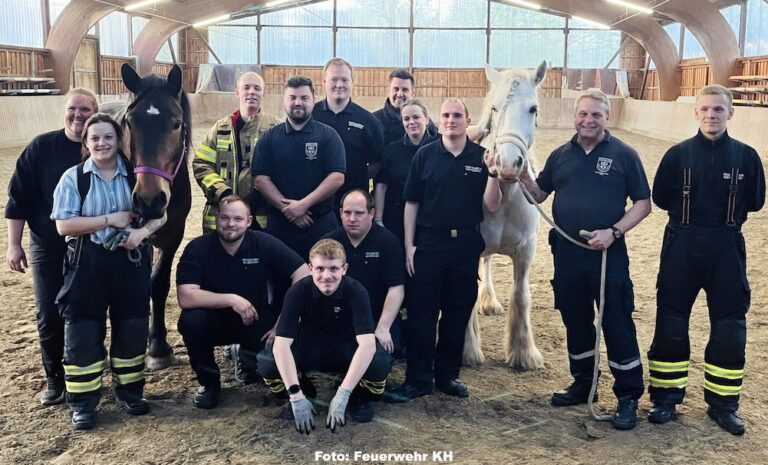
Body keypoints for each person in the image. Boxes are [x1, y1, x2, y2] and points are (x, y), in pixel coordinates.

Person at [518, 90, 651, 431]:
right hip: (567, 254)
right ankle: (583, 383)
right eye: (583, 114)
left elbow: (642, 204)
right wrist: (519, 173)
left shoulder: (625, 155)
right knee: (575, 320)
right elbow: (538, 194)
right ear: (575, 116)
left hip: (608, 255)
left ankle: (628, 396)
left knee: (616, 321)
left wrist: (614, 232)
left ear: (607, 117)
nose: (588, 120)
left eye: (596, 115)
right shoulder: (561, 155)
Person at [646, 85, 765, 436]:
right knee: (670, 319)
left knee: (730, 324)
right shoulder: (676, 155)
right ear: (695, 113)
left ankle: (723, 404)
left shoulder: (747, 157)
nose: (711, 115)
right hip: (682, 243)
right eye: (705, 109)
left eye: (718, 109)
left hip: (726, 246)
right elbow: (662, 197)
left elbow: (756, 201)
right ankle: (666, 398)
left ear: (731, 113)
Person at [51, 113, 166, 430]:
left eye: (108, 137)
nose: (102, 143)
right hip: (87, 263)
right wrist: (109, 220)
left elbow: (160, 217)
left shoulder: (135, 176)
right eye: (95, 138)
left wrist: (142, 234)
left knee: (132, 326)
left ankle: (130, 393)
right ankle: (84, 405)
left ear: (119, 141)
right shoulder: (74, 179)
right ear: (86, 143)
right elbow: (64, 225)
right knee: (83, 333)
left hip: (129, 262)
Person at [383, 98, 502, 403]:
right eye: (446, 115)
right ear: (440, 119)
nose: (451, 120)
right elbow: (412, 203)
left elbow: (491, 205)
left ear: (467, 119)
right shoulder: (425, 156)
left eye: (457, 115)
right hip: (429, 244)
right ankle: (418, 379)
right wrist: (409, 245)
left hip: (465, 245)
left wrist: (492, 173)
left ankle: (447, 376)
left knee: (457, 313)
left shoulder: (481, 157)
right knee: (422, 314)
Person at [5, 88, 98, 406]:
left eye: (85, 110)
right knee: (49, 313)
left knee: (86, 312)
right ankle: (55, 379)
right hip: (48, 245)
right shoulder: (41, 148)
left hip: (91, 246)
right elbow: (18, 200)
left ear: (95, 112)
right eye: (73, 109)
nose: (78, 115)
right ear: (65, 112)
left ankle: (86, 375)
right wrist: (14, 245)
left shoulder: (103, 148)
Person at [176, 195, 309, 409]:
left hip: (256, 320)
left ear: (248, 221)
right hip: (215, 320)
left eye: (238, 219)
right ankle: (209, 383)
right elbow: (186, 295)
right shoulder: (198, 248)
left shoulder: (263, 242)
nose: (231, 224)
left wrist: (284, 322)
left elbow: (303, 274)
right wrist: (231, 299)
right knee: (191, 321)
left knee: (277, 365)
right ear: (216, 218)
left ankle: (253, 360)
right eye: (225, 218)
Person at [257, 239, 393, 434]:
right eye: (320, 269)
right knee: (267, 361)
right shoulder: (297, 291)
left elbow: (367, 345)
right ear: (310, 268)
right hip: (308, 348)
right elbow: (281, 345)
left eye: (334, 269)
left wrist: (343, 395)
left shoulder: (356, 290)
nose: (326, 276)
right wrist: (295, 396)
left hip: (346, 350)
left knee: (380, 363)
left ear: (345, 269)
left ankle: (358, 394)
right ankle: (303, 389)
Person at [252, 76, 346, 260]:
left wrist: (304, 205)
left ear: (313, 100)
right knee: (280, 280)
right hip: (279, 225)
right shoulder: (269, 137)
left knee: (324, 280)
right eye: (292, 97)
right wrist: (289, 210)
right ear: (284, 100)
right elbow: (260, 179)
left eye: (304, 98)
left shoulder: (328, 136)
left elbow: (337, 177)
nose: (298, 103)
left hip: (321, 224)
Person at [193, 71, 281, 233]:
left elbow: (283, 169)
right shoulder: (220, 129)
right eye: (246, 87)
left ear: (264, 94)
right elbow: (201, 164)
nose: (251, 92)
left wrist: (260, 194)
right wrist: (222, 193)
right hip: (221, 219)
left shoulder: (275, 128)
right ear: (237, 92)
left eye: (257, 88)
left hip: (262, 219)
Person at [324, 189, 406, 355]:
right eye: (347, 213)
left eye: (359, 213)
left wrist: (383, 327)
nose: (352, 219)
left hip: (375, 318)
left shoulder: (388, 242)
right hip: (339, 319)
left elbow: (396, 288)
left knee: (377, 362)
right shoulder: (328, 243)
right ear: (340, 213)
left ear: (371, 213)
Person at [312, 58, 384, 209]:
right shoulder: (310, 116)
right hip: (314, 202)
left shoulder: (368, 121)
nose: (339, 85)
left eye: (344, 80)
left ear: (352, 82)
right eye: (334, 80)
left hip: (353, 206)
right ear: (323, 82)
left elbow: (377, 162)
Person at [374, 99, 439, 245]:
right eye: (406, 118)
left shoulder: (440, 148)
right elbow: (381, 185)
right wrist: (378, 219)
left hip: (430, 219)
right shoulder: (392, 150)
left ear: (427, 119)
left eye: (416, 117)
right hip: (396, 217)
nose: (411, 122)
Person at [372, 69, 438, 146]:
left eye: (405, 90)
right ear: (388, 91)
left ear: (412, 93)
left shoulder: (425, 123)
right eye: (396, 89)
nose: (399, 94)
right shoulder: (374, 120)